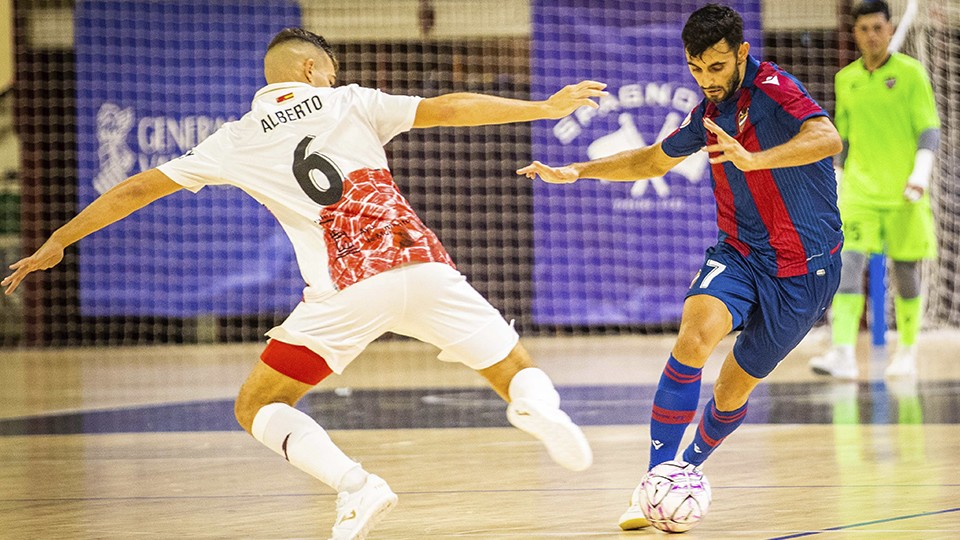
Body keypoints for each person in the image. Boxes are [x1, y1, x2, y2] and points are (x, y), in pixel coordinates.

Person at [2, 28, 607, 540]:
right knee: (511, 364)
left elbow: (137, 188)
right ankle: (537, 406)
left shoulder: (235, 139)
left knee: (258, 404)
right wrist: (544, 108)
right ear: (313, 69)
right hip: (421, 264)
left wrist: (60, 239)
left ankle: (357, 486)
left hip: (344, 291)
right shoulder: (349, 100)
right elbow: (447, 106)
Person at [518, 4, 843, 530]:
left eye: (716, 68)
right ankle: (655, 483)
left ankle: (685, 469)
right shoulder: (708, 114)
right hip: (740, 253)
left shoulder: (776, 87)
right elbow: (650, 160)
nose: (706, 80)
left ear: (740, 53)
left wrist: (756, 159)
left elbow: (828, 139)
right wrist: (576, 169)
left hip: (805, 271)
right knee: (694, 337)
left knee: (732, 389)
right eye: (695, 69)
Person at [808, 0, 940, 380]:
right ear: (855, 33)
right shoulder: (845, 79)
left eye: (877, 28)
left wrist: (920, 172)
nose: (871, 36)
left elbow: (929, 129)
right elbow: (842, 140)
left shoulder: (912, 74)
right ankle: (844, 352)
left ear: (889, 27)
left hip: (904, 192)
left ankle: (908, 351)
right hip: (860, 193)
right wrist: (835, 181)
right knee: (847, 268)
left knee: (905, 273)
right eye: (863, 29)